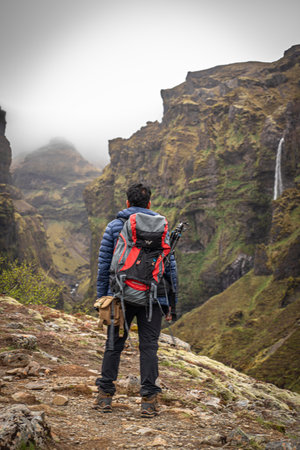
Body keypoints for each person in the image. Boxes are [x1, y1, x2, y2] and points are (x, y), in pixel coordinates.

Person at [95, 183, 178, 417]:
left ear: (127, 203)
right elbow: (171, 269)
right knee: (149, 347)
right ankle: (149, 401)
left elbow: (104, 266)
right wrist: (171, 303)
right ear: (149, 204)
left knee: (114, 344)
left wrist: (103, 299)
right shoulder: (162, 228)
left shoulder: (115, 226)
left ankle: (104, 397)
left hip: (121, 295)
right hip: (154, 296)